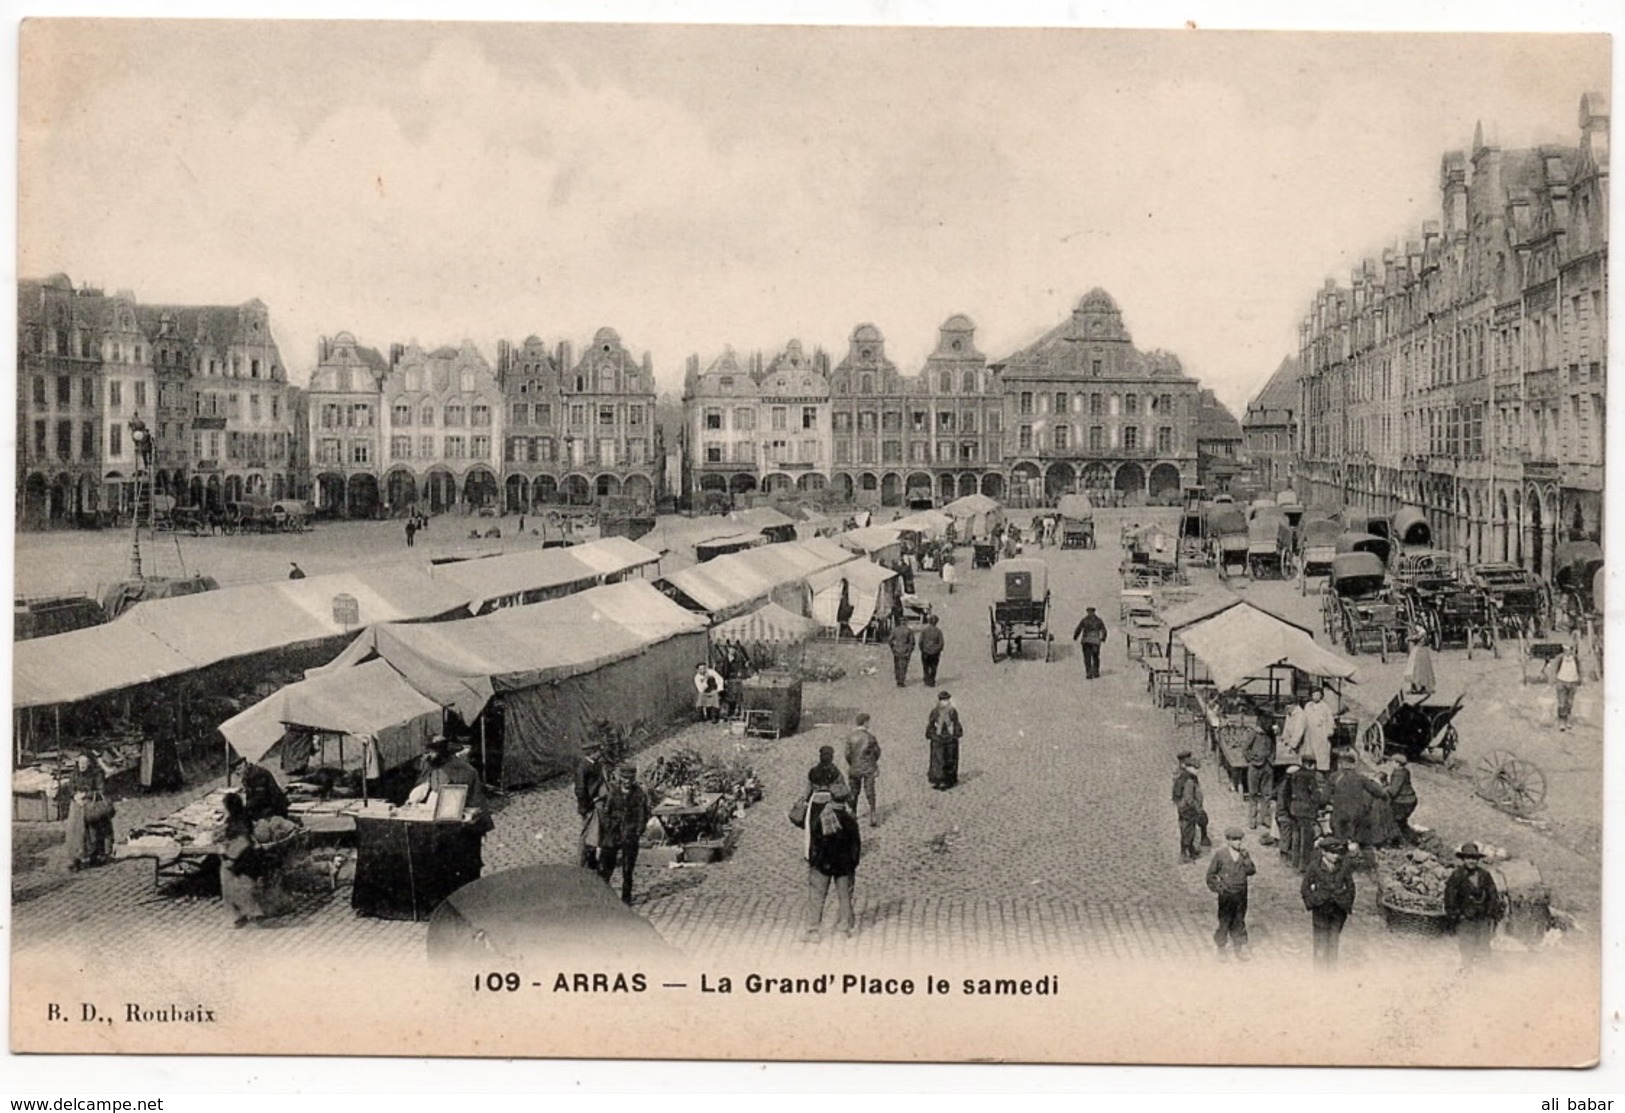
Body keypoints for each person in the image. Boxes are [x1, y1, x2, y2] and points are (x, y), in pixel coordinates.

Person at [804, 782, 862, 940]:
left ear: (831, 798)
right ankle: (844, 929)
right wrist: (852, 864)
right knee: (845, 897)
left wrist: (814, 861)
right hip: (843, 866)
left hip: (823, 864)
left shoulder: (823, 817)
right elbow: (856, 846)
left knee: (816, 895)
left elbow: (814, 843)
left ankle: (813, 930)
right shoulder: (850, 821)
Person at [595, 764, 652, 905]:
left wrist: (638, 830)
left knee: (628, 869)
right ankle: (604, 896)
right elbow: (606, 812)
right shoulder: (614, 792)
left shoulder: (639, 794)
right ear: (621, 778)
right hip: (612, 834)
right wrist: (608, 827)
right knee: (606, 867)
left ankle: (626, 898)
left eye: (630, 778)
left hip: (630, 834)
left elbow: (644, 814)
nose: (627, 781)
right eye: (625, 778)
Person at [1443, 842, 1505, 968]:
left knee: (1484, 947)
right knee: (1467, 948)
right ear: (1463, 859)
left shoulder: (1484, 875)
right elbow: (1450, 898)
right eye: (1468, 858)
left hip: (1482, 919)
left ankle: (1482, 975)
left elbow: (1493, 895)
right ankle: (1466, 972)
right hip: (1465, 920)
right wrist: (1456, 916)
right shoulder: (1457, 876)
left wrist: (1490, 913)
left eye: (1474, 858)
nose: (1471, 861)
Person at [1301, 837, 1356, 969]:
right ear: (1323, 852)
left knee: (1333, 941)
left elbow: (1351, 887)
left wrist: (1346, 903)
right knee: (1320, 941)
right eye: (1332, 852)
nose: (1336, 856)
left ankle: (1331, 970)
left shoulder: (1343, 866)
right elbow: (1305, 887)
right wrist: (1313, 902)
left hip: (1338, 909)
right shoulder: (1314, 866)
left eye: (1338, 853)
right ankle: (1319, 972)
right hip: (1321, 908)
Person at [1206, 827, 1257, 961]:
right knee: (1224, 921)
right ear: (1228, 841)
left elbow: (1251, 871)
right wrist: (1219, 888)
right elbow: (1210, 875)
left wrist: (1247, 861)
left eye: (1240, 840)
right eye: (1235, 840)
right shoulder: (1221, 855)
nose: (1238, 843)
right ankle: (1221, 948)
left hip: (1241, 894)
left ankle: (1239, 949)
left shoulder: (1244, 854)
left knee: (1239, 920)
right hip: (1227, 895)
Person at [219, 793, 267, 928]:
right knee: (243, 885)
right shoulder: (245, 818)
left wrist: (225, 856)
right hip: (252, 859)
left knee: (229, 881)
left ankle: (236, 917)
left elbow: (237, 848)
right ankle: (252, 911)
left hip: (242, 862)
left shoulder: (234, 825)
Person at [410, 735, 488, 811]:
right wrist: (413, 799)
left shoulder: (459, 767)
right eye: (427, 752)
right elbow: (424, 785)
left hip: (452, 803)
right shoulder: (431, 764)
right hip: (432, 803)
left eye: (432, 752)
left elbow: (465, 792)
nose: (428, 756)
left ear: (441, 751)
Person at [63, 751, 114, 871]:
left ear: (90, 763)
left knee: (92, 833)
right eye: (80, 762)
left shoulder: (97, 774)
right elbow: (70, 787)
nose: (82, 765)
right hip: (77, 807)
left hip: (92, 807)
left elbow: (101, 791)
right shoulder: (75, 773)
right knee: (75, 833)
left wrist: (86, 794)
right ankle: (76, 859)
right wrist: (75, 796)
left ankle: (94, 856)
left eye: (85, 763)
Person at [1280, 756, 1326, 872]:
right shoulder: (1310, 776)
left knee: (1296, 837)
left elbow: (1285, 793)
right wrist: (1318, 807)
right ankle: (1304, 866)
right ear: (1311, 765)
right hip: (1306, 810)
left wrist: (1289, 807)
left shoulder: (1293, 775)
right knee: (1306, 839)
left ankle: (1295, 863)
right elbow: (1315, 796)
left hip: (1294, 809)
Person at [844, 713, 882, 827]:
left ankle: (853, 812)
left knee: (854, 791)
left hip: (854, 768)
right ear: (865, 722)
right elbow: (877, 752)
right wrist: (873, 763)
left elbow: (847, 754)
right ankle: (873, 814)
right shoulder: (870, 737)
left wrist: (852, 763)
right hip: (868, 768)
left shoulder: (850, 737)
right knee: (870, 791)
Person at [574, 742, 608, 869]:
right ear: (592, 752)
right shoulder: (583, 767)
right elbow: (580, 789)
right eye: (598, 751)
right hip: (589, 805)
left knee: (596, 832)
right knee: (587, 834)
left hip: (597, 802)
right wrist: (585, 806)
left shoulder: (596, 764)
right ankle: (580, 864)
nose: (601, 753)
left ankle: (592, 860)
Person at [1172, 751, 1209, 862]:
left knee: (1189, 830)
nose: (1197, 771)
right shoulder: (1188, 781)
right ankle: (1183, 855)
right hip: (1188, 810)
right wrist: (1197, 807)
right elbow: (1189, 798)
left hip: (1186, 809)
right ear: (1189, 767)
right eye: (1196, 768)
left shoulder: (1188, 777)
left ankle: (1191, 850)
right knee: (1187, 831)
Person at [1244, 719, 1277, 843]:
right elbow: (1245, 749)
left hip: (1267, 767)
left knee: (1267, 794)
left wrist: (1272, 759)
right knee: (1253, 794)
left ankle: (1265, 818)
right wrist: (1252, 758)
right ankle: (1252, 820)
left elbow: (1274, 747)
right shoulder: (1254, 734)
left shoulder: (1270, 734)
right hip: (1254, 767)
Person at [925, 691, 963, 790]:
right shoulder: (935, 711)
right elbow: (931, 723)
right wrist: (931, 734)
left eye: (946, 700)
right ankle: (939, 779)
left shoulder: (952, 711)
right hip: (939, 739)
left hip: (949, 739)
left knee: (948, 758)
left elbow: (955, 723)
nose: (945, 702)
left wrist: (956, 733)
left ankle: (947, 780)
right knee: (939, 759)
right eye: (943, 700)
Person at [1385, 752, 1419, 843]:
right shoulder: (1405, 771)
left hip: (1403, 802)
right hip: (1411, 800)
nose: (1392, 764)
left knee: (1393, 820)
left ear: (1397, 763)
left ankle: (1397, 841)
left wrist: (1383, 791)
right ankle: (1413, 839)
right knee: (1402, 822)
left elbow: (1393, 791)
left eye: (1393, 762)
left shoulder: (1398, 774)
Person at [1303, 688, 1336, 773]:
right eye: (1314, 694)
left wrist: (1329, 731)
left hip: (1321, 733)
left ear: (1321, 695)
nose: (1316, 696)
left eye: (1318, 694)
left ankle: (1322, 770)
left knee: (1322, 752)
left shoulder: (1325, 706)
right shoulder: (1308, 706)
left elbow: (1330, 720)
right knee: (1309, 750)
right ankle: (1310, 768)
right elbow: (1304, 718)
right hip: (1310, 732)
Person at [1072, 606, 1108, 680]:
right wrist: (1103, 638)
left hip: (1086, 641)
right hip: (1095, 642)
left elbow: (1079, 629)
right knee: (1095, 657)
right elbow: (1104, 630)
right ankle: (1096, 672)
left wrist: (1075, 637)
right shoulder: (1099, 620)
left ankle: (1089, 673)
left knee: (1087, 657)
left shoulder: (1084, 620)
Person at [1553, 642, 1582, 730]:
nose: (1568, 652)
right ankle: (1562, 721)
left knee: (1569, 702)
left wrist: (1580, 679)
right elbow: (1554, 669)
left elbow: (1579, 669)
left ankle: (1568, 719)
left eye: (1570, 650)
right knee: (1562, 703)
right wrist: (1553, 681)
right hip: (1562, 682)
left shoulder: (1575, 659)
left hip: (1573, 682)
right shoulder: (1560, 658)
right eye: (1566, 650)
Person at [1403, 627, 1436, 697]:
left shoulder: (1422, 629)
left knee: (1419, 668)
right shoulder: (1418, 626)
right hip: (1418, 649)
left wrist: (1409, 638)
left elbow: (1420, 635)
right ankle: (1415, 686)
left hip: (1420, 649)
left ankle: (1422, 686)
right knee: (1415, 668)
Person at [1279, 694, 1309, 766]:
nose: (1287, 706)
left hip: (1300, 747)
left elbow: (1298, 733)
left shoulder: (1300, 715)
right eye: (1285, 704)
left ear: (1295, 704)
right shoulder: (1289, 713)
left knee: (1298, 766)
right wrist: (1283, 740)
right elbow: (1286, 729)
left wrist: (1292, 746)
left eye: (1289, 704)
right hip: (1291, 745)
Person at [918, 615, 946, 687]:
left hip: (926, 651)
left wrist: (922, 649)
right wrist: (938, 649)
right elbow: (941, 642)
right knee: (934, 667)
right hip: (935, 652)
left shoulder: (925, 631)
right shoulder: (938, 631)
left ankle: (927, 679)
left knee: (926, 666)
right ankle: (932, 680)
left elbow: (920, 641)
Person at [888, 618, 917, 688]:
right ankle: (902, 681)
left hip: (897, 650)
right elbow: (912, 642)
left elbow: (889, 640)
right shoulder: (909, 631)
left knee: (897, 666)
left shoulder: (895, 630)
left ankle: (898, 680)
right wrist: (910, 650)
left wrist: (892, 648)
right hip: (905, 650)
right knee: (903, 666)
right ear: (906, 622)